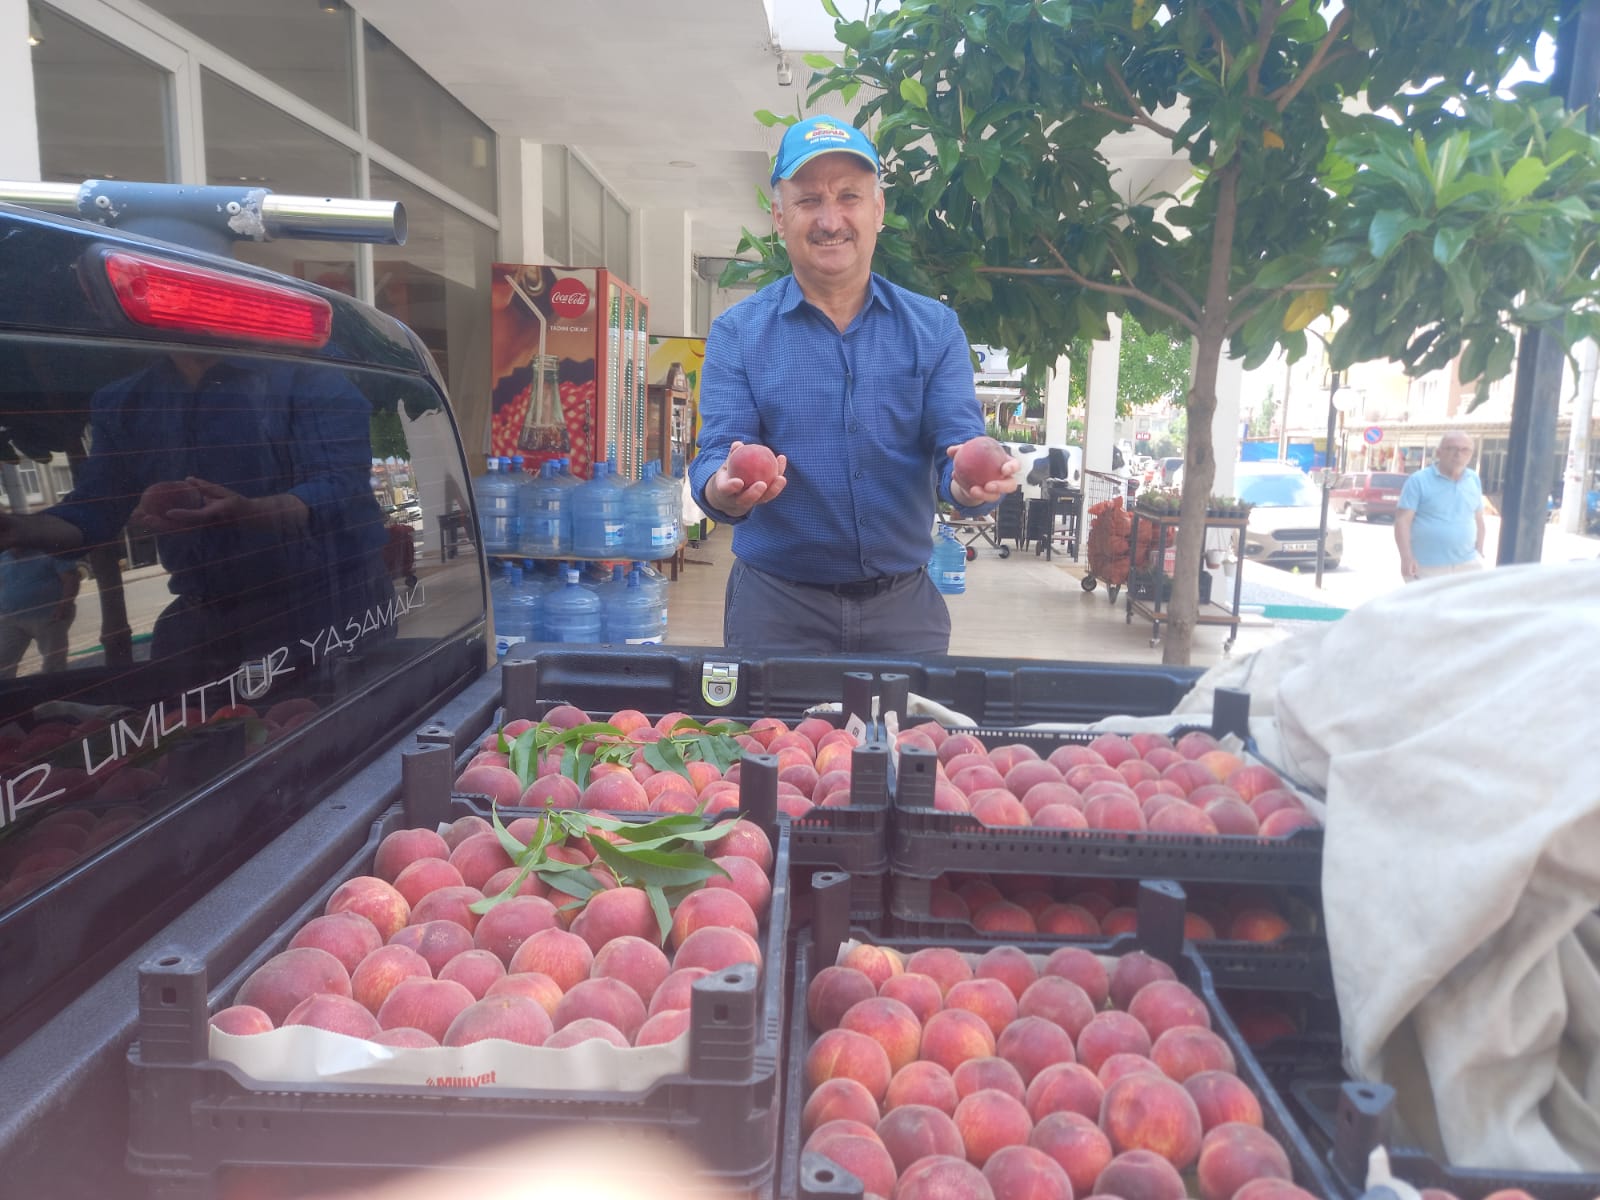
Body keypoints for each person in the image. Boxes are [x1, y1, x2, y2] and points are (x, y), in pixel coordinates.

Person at [689, 116, 1018, 655]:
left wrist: (967, 485)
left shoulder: (933, 331)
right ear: (778, 216)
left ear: (878, 210)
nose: (830, 219)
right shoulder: (738, 334)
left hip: (904, 610)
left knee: (905, 743)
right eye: (808, 200)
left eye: (849, 196)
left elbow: (955, 448)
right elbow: (714, 456)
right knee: (776, 743)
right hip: (776, 610)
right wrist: (723, 485)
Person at [0, 354, 392, 673]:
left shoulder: (306, 377)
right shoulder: (124, 401)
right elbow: (93, 511)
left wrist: (253, 511)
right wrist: (18, 528)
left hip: (325, 608)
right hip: (199, 618)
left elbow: (339, 485)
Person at [1394, 432, 1487, 581]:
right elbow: (1402, 522)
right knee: (1428, 605)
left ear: (1471, 455)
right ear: (1439, 452)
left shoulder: (1473, 479)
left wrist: (1480, 550)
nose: (1458, 454)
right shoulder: (1418, 480)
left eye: (1465, 450)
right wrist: (1406, 557)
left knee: (1466, 605)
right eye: (1452, 448)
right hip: (1427, 566)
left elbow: (1479, 519)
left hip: (1468, 565)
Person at [0, 549, 79, 678]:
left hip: (48, 616)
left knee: (53, 662)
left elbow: (71, 578)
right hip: (10, 619)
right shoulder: (3, 558)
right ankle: (6, 695)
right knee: (3, 660)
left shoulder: (51, 552)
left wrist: (65, 605)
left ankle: (54, 693)